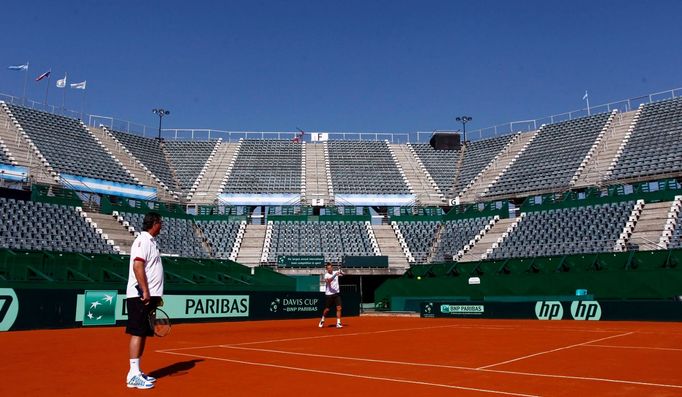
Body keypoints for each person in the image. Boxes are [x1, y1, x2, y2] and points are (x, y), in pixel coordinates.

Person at [125, 212, 164, 389]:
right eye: (160, 222)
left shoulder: (151, 242)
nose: (162, 225)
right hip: (140, 295)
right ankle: (132, 374)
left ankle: (137, 371)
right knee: (138, 332)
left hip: (149, 297)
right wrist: (146, 291)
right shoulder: (142, 241)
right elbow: (137, 265)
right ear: (154, 223)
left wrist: (156, 295)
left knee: (143, 333)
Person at [319, 262, 343, 328]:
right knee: (327, 309)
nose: (330, 269)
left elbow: (343, 274)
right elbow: (329, 281)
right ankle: (322, 319)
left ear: (332, 268)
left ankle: (338, 323)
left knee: (339, 308)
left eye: (331, 268)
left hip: (336, 294)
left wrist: (341, 272)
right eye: (328, 268)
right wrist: (335, 275)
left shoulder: (335, 272)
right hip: (329, 295)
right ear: (327, 269)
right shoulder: (326, 275)